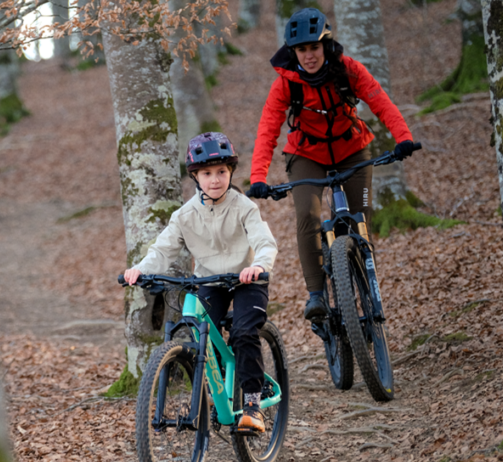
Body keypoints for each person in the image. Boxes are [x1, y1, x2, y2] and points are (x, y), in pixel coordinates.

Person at [245, 7, 416, 321]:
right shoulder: (286, 82)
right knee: (307, 216)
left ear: (325, 44)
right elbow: (268, 129)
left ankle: (366, 279)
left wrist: (403, 137)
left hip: (351, 149)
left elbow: (380, 101)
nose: (309, 56)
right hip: (306, 156)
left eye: (314, 47)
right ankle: (316, 295)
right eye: (302, 50)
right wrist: (258, 176)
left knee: (358, 215)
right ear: (292, 52)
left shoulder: (347, 69)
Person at [123, 132, 278, 433]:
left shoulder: (244, 206)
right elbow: (162, 249)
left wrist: (258, 265)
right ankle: (214, 389)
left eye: (221, 172)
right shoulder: (184, 216)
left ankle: (253, 404)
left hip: (247, 278)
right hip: (209, 281)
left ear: (231, 172)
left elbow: (264, 241)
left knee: (245, 332)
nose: (215, 180)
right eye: (207, 173)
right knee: (198, 332)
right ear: (195, 177)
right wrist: (140, 270)